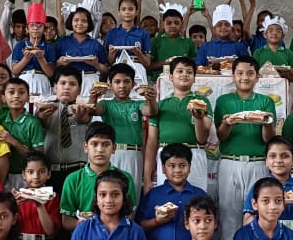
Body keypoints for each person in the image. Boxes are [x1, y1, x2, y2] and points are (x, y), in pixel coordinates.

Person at [214, 56, 277, 240]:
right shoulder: (223, 101)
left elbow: (268, 139)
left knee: (258, 213)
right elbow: (221, 136)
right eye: (240, 73)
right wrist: (227, 123)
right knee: (228, 213)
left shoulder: (265, 102)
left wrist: (266, 122)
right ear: (233, 76)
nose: (245, 77)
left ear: (257, 77)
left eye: (250, 73)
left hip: (258, 162)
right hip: (229, 162)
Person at [143, 57, 212, 193]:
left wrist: (198, 118)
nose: (184, 74)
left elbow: (202, 139)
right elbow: (151, 143)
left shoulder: (202, 102)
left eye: (189, 72)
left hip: (194, 155)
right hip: (167, 156)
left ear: (194, 78)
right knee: (167, 200)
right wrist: (147, 178)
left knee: (195, 200)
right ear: (170, 77)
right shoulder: (160, 105)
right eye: (180, 71)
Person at [87, 63, 154, 192]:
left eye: (126, 81)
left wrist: (151, 100)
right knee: (109, 188)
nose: (122, 85)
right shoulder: (105, 104)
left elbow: (151, 112)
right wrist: (93, 97)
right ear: (110, 85)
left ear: (133, 84)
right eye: (117, 82)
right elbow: (92, 110)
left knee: (132, 190)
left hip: (133, 153)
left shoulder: (138, 104)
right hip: (110, 153)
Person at [36, 68, 93, 191]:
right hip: (51, 171)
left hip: (77, 169)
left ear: (79, 90)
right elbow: (39, 125)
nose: (67, 87)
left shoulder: (83, 108)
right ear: (55, 87)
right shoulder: (45, 109)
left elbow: (84, 118)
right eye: (62, 83)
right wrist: (40, 118)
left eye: (72, 84)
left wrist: (80, 117)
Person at [0, 77, 46, 188]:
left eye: (21, 92)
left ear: (28, 98)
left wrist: (14, 142)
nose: (16, 96)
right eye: (11, 92)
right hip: (3, 174)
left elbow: (38, 157)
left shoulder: (33, 123)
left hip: (26, 177)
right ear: (3, 98)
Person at [54, 6, 108, 92]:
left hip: (90, 80)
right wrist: (60, 62)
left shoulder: (95, 44)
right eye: (76, 20)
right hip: (68, 80)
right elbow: (52, 67)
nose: (80, 23)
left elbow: (106, 69)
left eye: (84, 21)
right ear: (71, 22)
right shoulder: (62, 42)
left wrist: (96, 64)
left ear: (89, 23)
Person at [11, 2, 56, 96]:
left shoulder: (49, 47)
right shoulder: (20, 46)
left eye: (39, 25)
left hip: (42, 81)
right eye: (32, 25)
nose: (35, 28)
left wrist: (40, 58)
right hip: (24, 80)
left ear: (44, 29)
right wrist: (26, 58)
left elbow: (50, 73)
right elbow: (15, 71)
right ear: (27, 29)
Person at [104, 0, 153, 77]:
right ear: (119, 12)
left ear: (136, 12)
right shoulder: (111, 33)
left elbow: (147, 63)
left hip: (137, 68)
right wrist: (111, 54)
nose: (127, 12)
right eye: (123, 9)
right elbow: (109, 62)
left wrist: (138, 53)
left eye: (131, 9)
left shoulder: (143, 33)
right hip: (117, 68)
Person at [149, 4, 196, 81]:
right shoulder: (155, 41)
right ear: (163, 25)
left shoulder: (188, 42)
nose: (173, 26)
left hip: (183, 81)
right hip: (159, 81)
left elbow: (194, 65)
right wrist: (166, 62)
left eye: (176, 23)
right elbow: (149, 66)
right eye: (169, 23)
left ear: (181, 24)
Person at [195, 2, 248, 67]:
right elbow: (199, 67)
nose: (223, 27)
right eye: (219, 25)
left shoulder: (239, 46)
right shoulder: (205, 47)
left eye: (227, 24)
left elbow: (246, 66)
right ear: (214, 28)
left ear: (231, 28)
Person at [252, 15, 293, 82]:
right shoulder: (258, 53)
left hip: (282, 88)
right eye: (270, 30)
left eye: (278, 31)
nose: (274, 33)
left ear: (283, 36)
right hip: (263, 87)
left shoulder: (289, 53)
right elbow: (253, 75)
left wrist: (284, 75)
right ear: (265, 34)